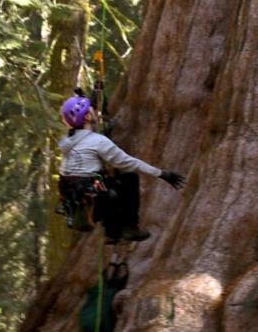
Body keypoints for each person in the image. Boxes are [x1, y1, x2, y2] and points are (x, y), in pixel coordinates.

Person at [58, 91, 185, 242]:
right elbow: (129, 162)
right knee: (129, 178)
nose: (94, 111)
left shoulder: (67, 141)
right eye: (90, 110)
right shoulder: (98, 141)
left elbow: (87, 136)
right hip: (94, 205)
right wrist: (163, 174)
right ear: (86, 116)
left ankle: (112, 232)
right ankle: (129, 228)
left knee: (105, 182)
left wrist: (90, 99)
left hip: (73, 205)